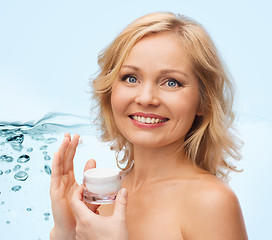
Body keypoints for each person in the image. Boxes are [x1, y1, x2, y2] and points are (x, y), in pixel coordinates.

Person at [50, 12, 248, 239]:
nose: (146, 98)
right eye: (131, 78)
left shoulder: (210, 201)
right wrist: (65, 231)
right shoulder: (100, 197)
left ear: (203, 101)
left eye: (171, 82)